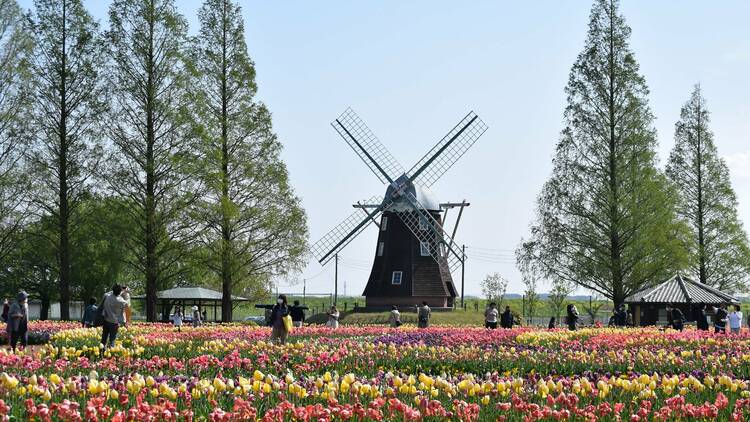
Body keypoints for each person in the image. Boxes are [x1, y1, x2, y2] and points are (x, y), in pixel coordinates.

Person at [101, 285, 128, 349]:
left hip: (106, 320)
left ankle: (101, 350)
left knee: (104, 337)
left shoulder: (107, 297)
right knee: (112, 339)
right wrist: (125, 294)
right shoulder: (120, 300)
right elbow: (127, 305)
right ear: (120, 292)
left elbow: (107, 294)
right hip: (114, 322)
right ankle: (111, 352)